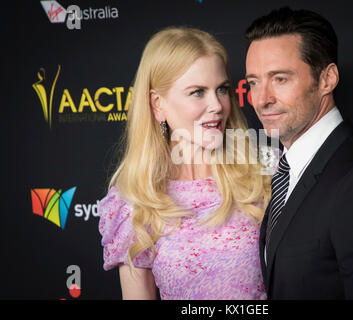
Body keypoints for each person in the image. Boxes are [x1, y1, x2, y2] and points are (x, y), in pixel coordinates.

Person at [245, 7, 353, 299]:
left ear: (327, 79)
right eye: (253, 83)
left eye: (280, 79)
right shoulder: (287, 169)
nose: (262, 100)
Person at [98, 27, 271, 300]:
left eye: (222, 89)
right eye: (197, 92)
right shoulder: (135, 201)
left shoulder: (262, 174)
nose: (217, 105)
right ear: (158, 105)